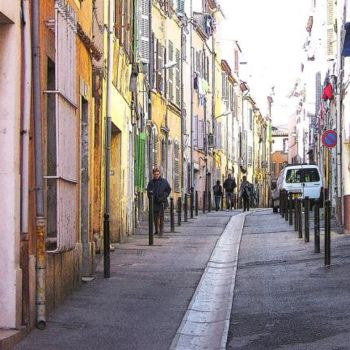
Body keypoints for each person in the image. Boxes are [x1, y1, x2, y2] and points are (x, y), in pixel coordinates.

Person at [147, 168, 171, 237]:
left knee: (161, 217)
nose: (156, 176)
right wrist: (151, 199)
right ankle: (157, 230)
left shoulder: (164, 182)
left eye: (157, 174)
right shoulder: (151, 182)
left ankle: (161, 230)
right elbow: (149, 192)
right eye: (155, 174)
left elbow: (168, 190)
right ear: (153, 175)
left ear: (159, 174)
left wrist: (164, 196)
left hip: (162, 202)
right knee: (155, 217)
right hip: (154, 203)